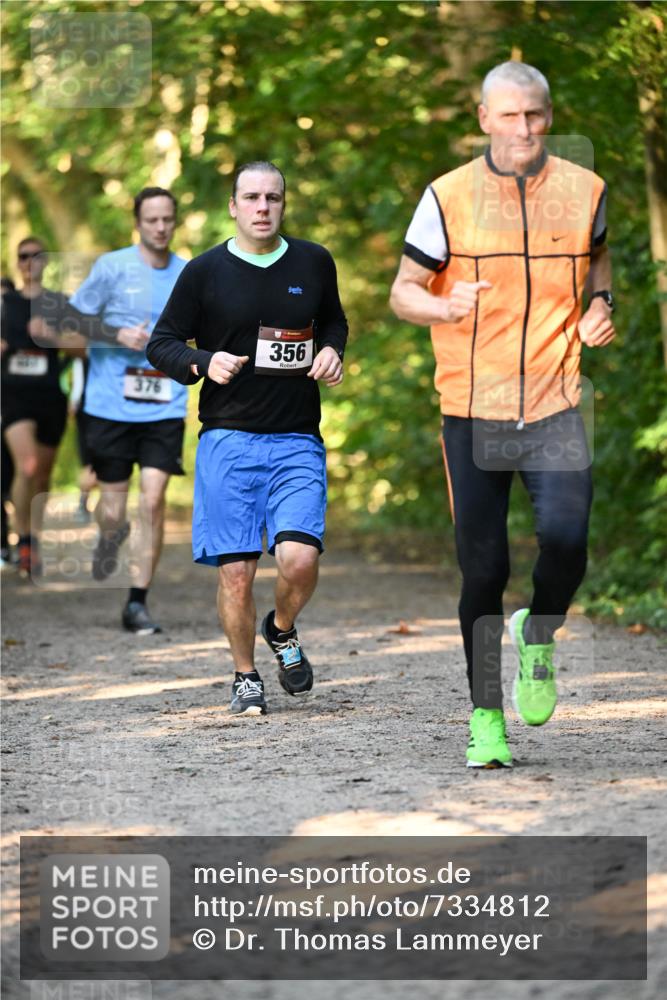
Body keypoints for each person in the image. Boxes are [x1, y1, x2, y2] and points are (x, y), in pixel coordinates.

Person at [390, 62, 615, 768]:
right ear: (483, 117)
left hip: (552, 404)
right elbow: (402, 291)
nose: (523, 129)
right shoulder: (446, 197)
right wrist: (440, 305)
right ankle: (485, 714)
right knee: (482, 570)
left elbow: (598, 261)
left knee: (568, 542)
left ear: (549, 116)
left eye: (535, 116)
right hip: (472, 410)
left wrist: (600, 305)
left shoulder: (584, 192)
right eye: (509, 116)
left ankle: (538, 633)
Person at [147, 161, 348, 716]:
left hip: (295, 439)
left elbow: (334, 322)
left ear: (284, 204)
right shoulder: (204, 271)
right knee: (237, 573)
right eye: (252, 198)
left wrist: (333, 349)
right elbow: (161, 344)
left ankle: (281, 630)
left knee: (300, 559)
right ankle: (244, 676)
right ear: (233, 206)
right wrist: (203, 362)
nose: (263, 208)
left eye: (273, 198)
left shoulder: (314, 261)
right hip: (228, 441)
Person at [65, 187, 188, 634]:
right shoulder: (112, 267)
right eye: (152, 220)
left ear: (175, 221)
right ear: (137, 222)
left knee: (153, 501)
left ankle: (137, 601)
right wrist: (114, 333)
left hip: (165, 405)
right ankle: (110, 533)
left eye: (167, 219)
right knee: (114, 510)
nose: (160, 227)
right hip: (109, 406)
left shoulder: (188, 273)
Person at [1, 238, 71, 577]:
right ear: (17, 263)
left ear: (46, 262)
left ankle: (36, 541)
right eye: (23, 257)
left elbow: (82, 348)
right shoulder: (5, 302)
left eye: (36, 256)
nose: (30, 262)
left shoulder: (59, 303)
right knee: (26, 467)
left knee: (41, 476)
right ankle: (24, 539)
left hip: (49, 397)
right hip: (13, 395)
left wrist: (52, 338)